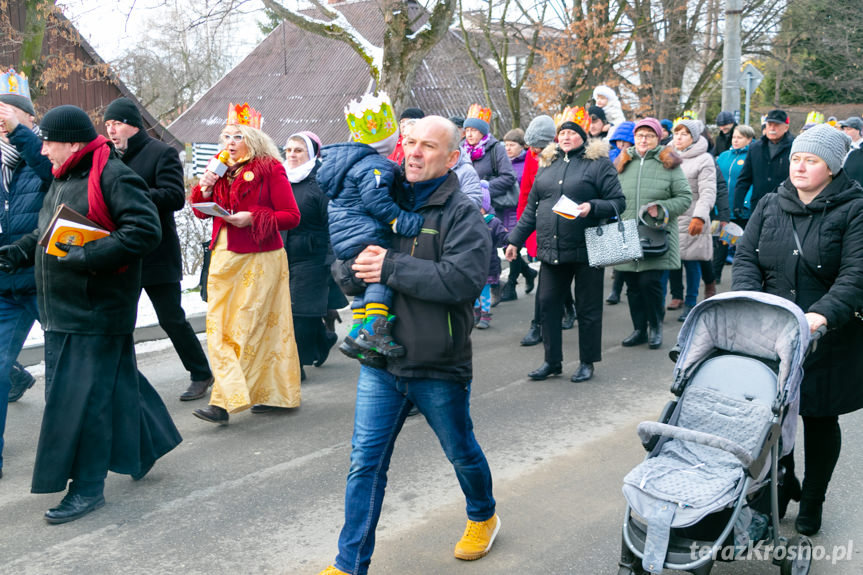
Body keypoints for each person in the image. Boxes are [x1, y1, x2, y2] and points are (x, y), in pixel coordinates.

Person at [319, 116, 498, 575]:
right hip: (380, 359)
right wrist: (351, 267)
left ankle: (483, 515)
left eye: (429, 146)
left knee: (461, 451)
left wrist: (390, 266)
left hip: (437, 361)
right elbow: (344, 265)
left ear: (452, 158)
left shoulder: (462, 212)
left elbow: (462, 281)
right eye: (410, 143)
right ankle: (348, 564)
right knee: (365, 465)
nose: (414, 152)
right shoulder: (379, 192)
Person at [0, 105, 181, 522]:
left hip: (95, 310)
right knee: (113, 388)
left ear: (74, 143)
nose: (43, 151)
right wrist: (21, 251)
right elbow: (50, 227)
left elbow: (144, 229)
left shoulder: (112, 174)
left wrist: (87, 255)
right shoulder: (69, 175)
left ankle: (87, 488)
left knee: (83, 404)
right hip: (67, 308)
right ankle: (147, 445)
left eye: (48, 142)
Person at [732, 124, 863, 536]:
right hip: (772, 332)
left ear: (833, 167)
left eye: (811, 161)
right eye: (796, 159)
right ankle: (781, 483)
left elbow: (855, 273)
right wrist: (752, 304)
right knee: (770, 418)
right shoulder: (771, 203)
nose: (800, 167)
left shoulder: (855, 208)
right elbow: (746, 259)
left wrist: (821, 315)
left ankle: (813, 498)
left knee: (819, 418)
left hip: (828, 335)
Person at [189, 102, 302, 425]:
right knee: (219, 329)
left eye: (237, 136)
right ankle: (270, 392)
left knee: (248, 328)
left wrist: (253, 218)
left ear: (252, 137)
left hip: (260, 258)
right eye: (226, 136)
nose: (230, 143)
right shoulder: (222, 170)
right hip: (223, 257)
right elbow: (200, 210)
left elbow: (291, 217)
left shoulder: (270, 169)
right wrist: (205, 186)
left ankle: (223, 403)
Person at [102, 97, 214, 402]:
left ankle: (201, 373)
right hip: (122, 251)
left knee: (171, 318)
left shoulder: (160, 152)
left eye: (117, 123)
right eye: (108, 124)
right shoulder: (108, 156)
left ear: (133, 124)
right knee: (120, 320)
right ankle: (118, 380)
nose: (111, 129)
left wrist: (131, 194)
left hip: (157, 251)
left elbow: (175, 197)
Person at [506, 109, 625, 383]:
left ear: (583, 137)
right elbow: (532, 209)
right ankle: (552, 361)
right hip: (552, 249)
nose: (566, 137)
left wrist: (592, 207)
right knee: (547, 304)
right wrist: (515, 240)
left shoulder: (599, 164)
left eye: (572, 132)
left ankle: (587, 362)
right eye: (562, 133)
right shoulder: (547, 164)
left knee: (588, 308)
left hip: (587, 249)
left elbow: (618, 202)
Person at [317, 93, 423, 364]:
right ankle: (374, 329)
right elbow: (377, 200)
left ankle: (355, 334)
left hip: (346, 235)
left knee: (365, 283)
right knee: (380, 276)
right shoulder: (375, 166)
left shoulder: (349, 163)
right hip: (365, 232)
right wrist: (401, 220)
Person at [0, 70, 52, 480]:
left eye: (11, 113)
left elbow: (57, 182)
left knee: (75, 366)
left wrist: (19, 133)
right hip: (5, 287)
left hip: (44, 282)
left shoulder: (44, 156)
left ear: (29, 119)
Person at [614, 118, 692, 350]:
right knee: (632, 286)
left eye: (649, 135)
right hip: (627, 234)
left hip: (656, 234)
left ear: (658, 139)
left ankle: (655, 326)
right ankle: (639, 328)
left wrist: (662, 208)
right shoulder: (622, 162)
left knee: (650, 283)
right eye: (640, 135)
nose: (643, 140)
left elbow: (685, 197)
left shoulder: (669, 163)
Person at [282, 131, 335, 382]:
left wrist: (332, 257)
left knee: (298, 312)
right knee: (289, 310)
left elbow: (332, 221)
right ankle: (324, 339)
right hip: (281, 252)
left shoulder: (321, 182)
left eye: (298, 150)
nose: (292, 154)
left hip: (312, 255)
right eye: (289, 150)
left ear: (311, 154)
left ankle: (296, 365)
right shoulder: (280, 178)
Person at [461, 104, 517, 305]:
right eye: (467, 130)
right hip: (468, 205)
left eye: (473, 130)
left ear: (483, 131)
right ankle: (484, 290)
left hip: (491, 206)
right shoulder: (462, 150)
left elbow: (508, 177)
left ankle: (493, 286)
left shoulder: (495, 149)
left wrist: (484, 189)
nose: (469, 134)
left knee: (490, 245)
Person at [668, 120, 716, 322]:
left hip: (692, 215)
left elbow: (707, 191)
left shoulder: (703, 159)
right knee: (672, 261)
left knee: (692, 260)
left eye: (684, 133)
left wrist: (700, 216)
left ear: (694, 137)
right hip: (670, 215)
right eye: (676, 132)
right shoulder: (666, 155)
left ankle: (691, 301)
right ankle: (676, 296)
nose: (679, 137)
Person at [517, 114, 557, 347]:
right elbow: (526, 194)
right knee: (547, 278)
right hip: (541, 226)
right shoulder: (533, 159)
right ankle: (537, 324)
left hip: (565, 227)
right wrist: (522, 231)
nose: (534, 152)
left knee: (555, 277)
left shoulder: (564, 159)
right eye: (531, 148)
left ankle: (566, 310)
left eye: (538, 148)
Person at [733, 109, 794, 223]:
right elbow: (744, 179)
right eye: (769, 124)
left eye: (776, 125)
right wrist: (738, 203)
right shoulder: (755, 148)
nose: (772, 128)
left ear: (786, 127)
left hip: (786, 207)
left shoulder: (795, 148)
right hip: (759, 206)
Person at [714, 124, 756, 281]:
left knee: (742, 245)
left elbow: (752, 181)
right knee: (720, 242)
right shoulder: (724, 156)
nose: (735, 140)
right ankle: (714, 275)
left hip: (742, 209)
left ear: (749, 139)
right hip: (723, 209)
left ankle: (742, 278)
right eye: (734, 137)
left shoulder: (752, 155)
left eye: (740, 137)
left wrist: (745, 202)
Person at [499, 127, 537, 300]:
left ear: (522, 146)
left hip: (521, 210)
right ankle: (528, 272)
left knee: (513, 244)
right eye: (506, 145)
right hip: (505, 210)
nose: (508, 148)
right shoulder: (502, 162)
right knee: (509, 247)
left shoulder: (527, 161)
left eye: (512, 145)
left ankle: (511, 285)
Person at [475, 182, 509, 329]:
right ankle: (476, 312)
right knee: (473, 292)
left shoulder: (493, 222)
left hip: (489, 264)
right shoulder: (468, 221)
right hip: (472, 265)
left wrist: (509, 244)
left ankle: (485, 315)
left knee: (484, 291)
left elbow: (504, 236)